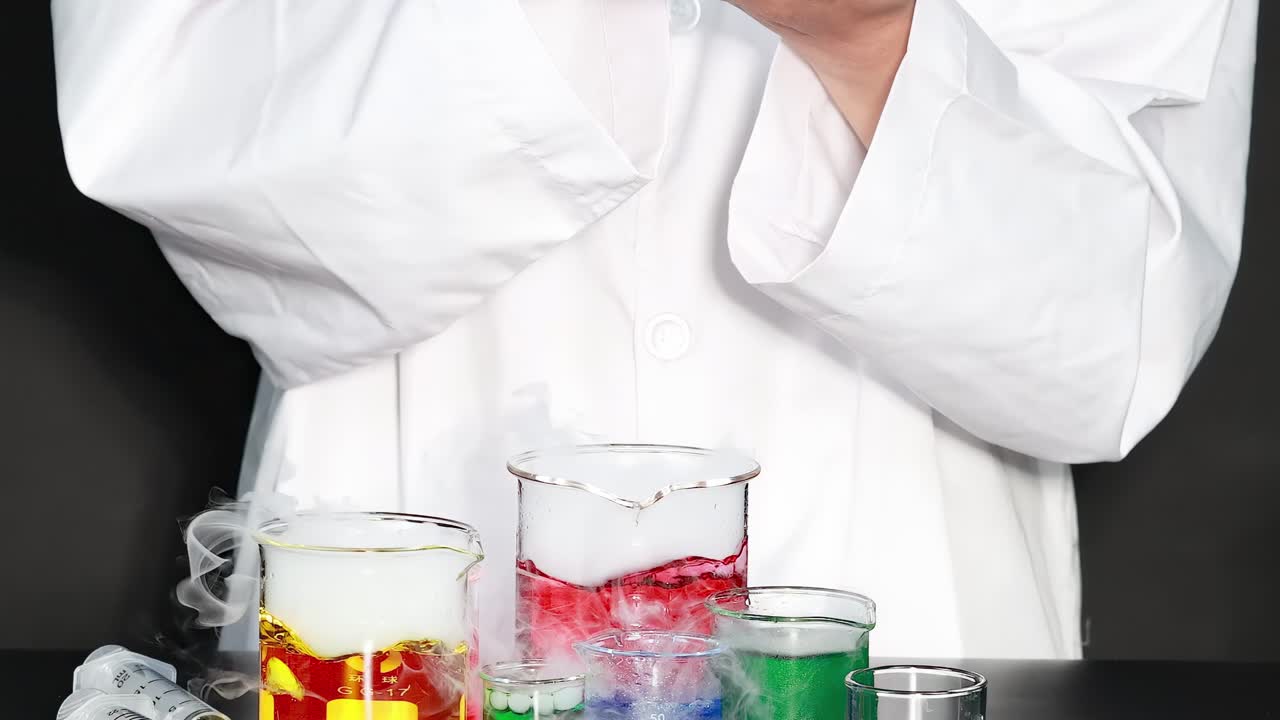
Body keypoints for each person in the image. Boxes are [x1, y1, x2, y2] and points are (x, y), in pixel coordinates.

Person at [51, 0, 1256, 659]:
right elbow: (168, 148)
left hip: (901, 618)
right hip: (402, 624)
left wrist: (873, 43)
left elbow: (1111, 347)